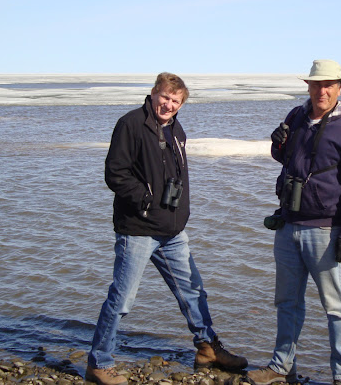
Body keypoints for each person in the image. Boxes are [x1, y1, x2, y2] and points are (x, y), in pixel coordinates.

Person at [86, 72, 247, 385]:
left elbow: (178, 176)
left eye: (176, 101)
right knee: (121, 299)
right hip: (138, 228)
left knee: (193, 291)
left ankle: (208, 348)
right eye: (165, 97)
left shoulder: (176, 129)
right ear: (153, 94)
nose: (169, 104)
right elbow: (115, 173)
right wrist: (145, 200)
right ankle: (98, 363)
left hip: (172, 231)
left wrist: (180, 213)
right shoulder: (131, 124)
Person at [247, 60, 341, 385]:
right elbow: (286, 157)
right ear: (308, 86)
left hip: (326, 231)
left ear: (339, 88)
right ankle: (281, 368)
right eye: (317, 84)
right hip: (288, 225)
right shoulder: (296, 116)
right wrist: (277, 143)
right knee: (287, 302)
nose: (322, 91)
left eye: (329, 85)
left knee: (337, 307)